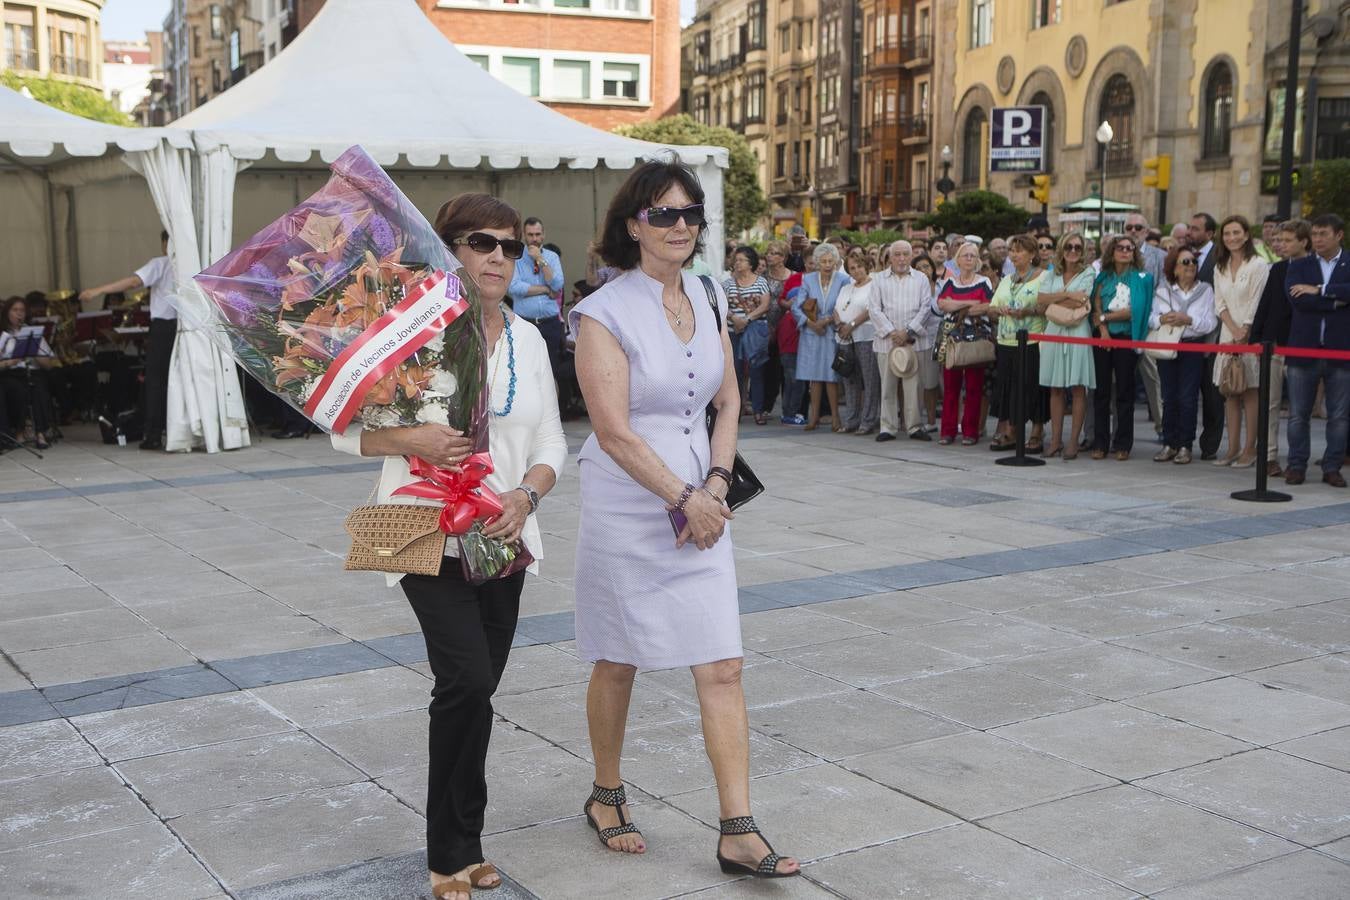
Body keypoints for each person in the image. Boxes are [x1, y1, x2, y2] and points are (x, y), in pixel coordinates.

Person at [330, 193, 566, 900]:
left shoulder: (528, 340)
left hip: (503, 535)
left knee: (480, 690)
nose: (499, 256)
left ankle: (469, 841)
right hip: (424, 531)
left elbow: (554, 439)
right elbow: (342, 429)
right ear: (447, 250)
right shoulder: (407, 334)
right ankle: (445, 854)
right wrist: (413, 439)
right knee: (463, 679)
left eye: (511, 246)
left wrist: (526, 495)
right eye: (481, 242)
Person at [570, 158, 800, 878]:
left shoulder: (705, 291)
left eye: (690, 214)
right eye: (664, 214)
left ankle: (737, 828)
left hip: (702, 497)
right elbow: (613, 431)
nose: (680, 226)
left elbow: (727, 400)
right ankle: (606, 794)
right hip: (629, 500)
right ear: (633, 225)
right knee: (618, 656)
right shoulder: (602, 313)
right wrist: (683, 497)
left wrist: (718, 483)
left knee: (723, 663)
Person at [78, 230, 178, 450]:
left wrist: (97, 291)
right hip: (188, 327)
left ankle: (153, 434)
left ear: (165, 244)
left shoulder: (161, 263)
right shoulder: (194, 263)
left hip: (165, 328)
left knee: (156, 382)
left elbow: (133, 282)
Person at [1284, 213, 1350, 487]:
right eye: (1315, 234)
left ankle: (1332, 466)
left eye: (1324, 233)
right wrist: (1336, 301)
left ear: (1339, 235)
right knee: (1299, 413)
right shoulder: (1299, 265)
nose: (1318, 239)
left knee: (1339, 415)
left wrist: (1319, 289)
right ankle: (1296, 465)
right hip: (1304, 348)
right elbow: (1297, 301)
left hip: (1340, 351)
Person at [1251, 219, 1312, 477]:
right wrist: (1257, 339)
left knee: (1300, 408)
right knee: (1270, 403)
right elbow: (1265, 305)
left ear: (1303, 242)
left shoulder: (1317, 269)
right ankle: (1268, 456)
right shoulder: (1277, 269)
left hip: (1303, 345)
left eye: (1287, 241)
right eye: (1280, 240)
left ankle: (1299, 461)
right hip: (1273, 344)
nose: (1281, 245)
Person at [1210, 215, 1270, 468]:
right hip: (1227, 333)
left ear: (1246, 235)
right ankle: (1232, 448)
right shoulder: (1219, 266)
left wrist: (1244, 330)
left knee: (1250, 392)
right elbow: (1219, 304)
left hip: (1251, 334)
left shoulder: (1258, 264)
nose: (1232, 238)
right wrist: (1233, 329)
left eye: (1236, 232)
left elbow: (1258, 301)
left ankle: (1250, 448)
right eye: (1227, 234)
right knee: (1230, 392)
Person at [1090, 234, 1154, 460]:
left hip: (1127, 338)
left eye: (1130, 248)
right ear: (1112, 251)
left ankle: (1123, 444)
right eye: (1120, 248)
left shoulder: (1142, 278)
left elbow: (1136, 311)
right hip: (1103, 339)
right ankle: (1100, 443)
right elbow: (1095, 305)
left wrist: (1106, 318)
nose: (1125, 251)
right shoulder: (1103, 277)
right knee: (1101, 392)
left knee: (1125, 393)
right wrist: (1104, 330)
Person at [1150, 245, 1216, 465]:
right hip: (1167, 346)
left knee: (1187, 398)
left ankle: (1186, 445)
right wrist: (1162, 319)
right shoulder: (1163, 290)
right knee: (1168, 397)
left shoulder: (1205, 290)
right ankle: (1169, 443)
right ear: (1174, 268)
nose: (1191, 266)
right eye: (1185, 262)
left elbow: (1209, 323)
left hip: (1192, 347)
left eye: (1193, 262)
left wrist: (1188, 320)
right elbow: (1151, 318)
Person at [870, 240, 939, 442]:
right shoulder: (879, 279)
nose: (901, 258)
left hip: (913, 341)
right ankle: (888, 427)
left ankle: (915, 426)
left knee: (914, 387)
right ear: (890, 257)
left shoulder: (920, 279)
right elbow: (874, 308)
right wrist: (893, 332)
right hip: (887, 342)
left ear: (911, 256)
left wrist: (907, 332)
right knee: (888, 386)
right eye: (897, 254)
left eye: (905, 254)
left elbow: (926, 308)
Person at [1038, 233, 1097, 460]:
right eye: (1069, 246)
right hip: (1054, 332)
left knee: (1078, 386)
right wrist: (1066, 294)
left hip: (1077, 330)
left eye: (1078, 247)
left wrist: (1055, 298)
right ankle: (1054, 441)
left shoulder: (1088, 272)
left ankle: (1073, 441)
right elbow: (1040, 300)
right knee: (1055, 387)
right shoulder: (1052, 273)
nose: (1073, 251)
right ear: (1062, 249)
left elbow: (1082, 300)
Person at [988, 235, 1047, 452]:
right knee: (1008, 387)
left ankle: (1037, 431)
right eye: (1012, 250)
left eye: (1019, 250)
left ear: (1032, 254)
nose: (1014, 254)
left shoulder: (1044, 278)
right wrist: (999, 310)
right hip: (1006, 341)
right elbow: (991, 308)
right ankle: (1012, 431)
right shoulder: (1006, 279)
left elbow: (1046, 307)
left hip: (1033, 341)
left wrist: (1027, 311)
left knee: (1034, 386)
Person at [934, 242, 995, 445]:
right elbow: (943, 304)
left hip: (975, 339)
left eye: (973, 255)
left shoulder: (984, 281)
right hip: (953, 339)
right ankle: (948, 431)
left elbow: (987, 306)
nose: (969, 259)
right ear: (958, 259)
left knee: (973, 387)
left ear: (977, 260)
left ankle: (970, 431)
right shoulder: (950, 282)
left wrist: (957, 305)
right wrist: (969, 303)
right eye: (965, 255)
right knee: (950, 387)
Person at [792, 243, 850, 431]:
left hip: (831, 333)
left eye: (830, 261)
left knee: (831, 376)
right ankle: (813, 417)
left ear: (835, 262)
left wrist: (824, 322)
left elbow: (844, 306)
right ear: (816, 262)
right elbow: (796, 306)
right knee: (814, 378)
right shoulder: (808, 279)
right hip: (811, 334)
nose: (826, 264)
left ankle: (835, 418)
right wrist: (810, 324)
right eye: (823, 261)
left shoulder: (843, 280)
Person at [508, 216, 566, 384]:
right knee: (525, 371)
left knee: (551, 372)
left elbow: (557, 284)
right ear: (524, 236)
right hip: (526, 321)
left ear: (543, 235)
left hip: (550, 322)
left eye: (537, 234)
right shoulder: (517, 258)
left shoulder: (552, 257)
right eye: (530, 234)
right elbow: (515, 288)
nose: (534, 238)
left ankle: (554, 409)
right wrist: (545, 290)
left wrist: (540, 259)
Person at [1127, 213, 1168, 445]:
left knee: (1153, 379)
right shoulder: (1115, 254)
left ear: (1147, 230)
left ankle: (1163, 425)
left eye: (1138, 227)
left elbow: (1163, 289)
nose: (1133, 231)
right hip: (1120, 326)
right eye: (1129, 227)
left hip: (1148, 325)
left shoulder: (1160, 257)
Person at [1188, 212, 1225, 460]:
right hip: (1188, 335)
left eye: (1196, 228)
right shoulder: (1185, 255)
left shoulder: (1219, 256)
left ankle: (1210, 444)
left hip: (1215, 333)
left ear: (1210, 233)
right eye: (1190, 227)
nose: (1191, 232)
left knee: (1212, 395)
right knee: (1188, 391)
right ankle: (1184, 441)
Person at [722, 247, 774, 425]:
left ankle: (758, 410)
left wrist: (747, 319)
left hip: (755, 333)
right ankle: (735, 410)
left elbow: (765, 305)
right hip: (733, 332)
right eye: (736, 260)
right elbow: (721, 306)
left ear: (750, 263)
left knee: (756, 371)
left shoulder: (761, 282)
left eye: (741, 260)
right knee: (734, 373)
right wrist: (734, 318)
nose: (737, 263)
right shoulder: (727, 284)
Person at [0, 297, 58, 449]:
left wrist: (33, 351)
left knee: (38, 387)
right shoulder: (2, 334)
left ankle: (40, 432)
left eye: (22, 311)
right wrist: (10, 362)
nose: (19, 314)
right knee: (18, 390)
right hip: (10, 373)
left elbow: (49, 365)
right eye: (15, 310)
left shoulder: (32, 333)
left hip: (32, 371)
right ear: (7, 313)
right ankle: (19, 431)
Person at [833, 251, 880, 434]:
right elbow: (836, 309)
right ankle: (851, 419)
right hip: (844, 338)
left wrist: (851, 325)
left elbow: (870, 310)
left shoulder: (874, 285)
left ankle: (868, 420)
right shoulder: (847, 287)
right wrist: (839, 324)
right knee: (849, 380)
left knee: (869, 380)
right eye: (852, 268)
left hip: (866, 336)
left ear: (866, 266)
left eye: (859, 266)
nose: (856, 270)